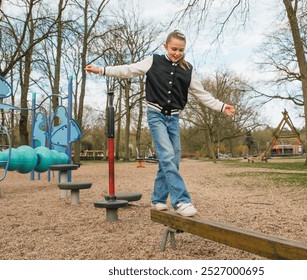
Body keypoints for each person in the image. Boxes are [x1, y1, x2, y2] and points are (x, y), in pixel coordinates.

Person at [85, 30, 235, 216]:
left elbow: (202, 94)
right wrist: (102, 70)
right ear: (165, 46)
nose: (177, 53)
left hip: (173, 118)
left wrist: (222, 106)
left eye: (181, 50)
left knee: (173, 159)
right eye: (174, 49)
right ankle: (182, 201)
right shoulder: (153, 61)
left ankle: (157, 199)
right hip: (156, 115)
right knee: (166, 156)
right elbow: (129, 70)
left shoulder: (187, 70)